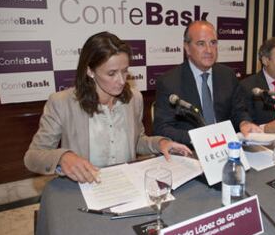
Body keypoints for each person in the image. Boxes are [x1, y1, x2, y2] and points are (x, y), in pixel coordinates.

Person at [24, 31, 191, 183]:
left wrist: (161, 143)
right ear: (90, 71)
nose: (121, 80)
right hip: (84, 188)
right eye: (111, 73)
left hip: (127, 183)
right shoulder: (61, 103)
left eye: (125, 71)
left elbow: (137, 141)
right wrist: (63, 157)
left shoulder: (134, 98)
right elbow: (32, 157)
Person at [153, 21, 261, 145]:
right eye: (201, 44)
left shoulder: (227, 75)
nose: (209, 50)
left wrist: (244, 122)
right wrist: (199, 139)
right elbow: (162, 128)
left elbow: (239, 111)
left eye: (213, 43)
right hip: (191, 150)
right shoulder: (169, 82)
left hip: (226, 146)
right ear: (187, 48)